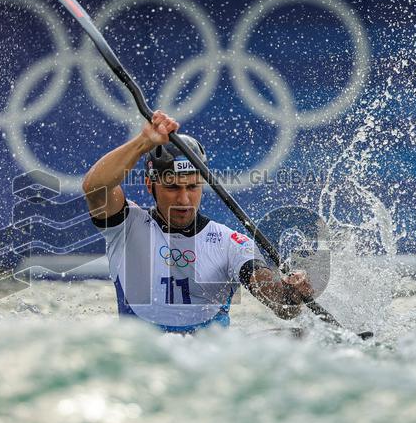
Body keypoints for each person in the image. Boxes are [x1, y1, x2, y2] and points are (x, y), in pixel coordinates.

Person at [82, 110, 315, 333]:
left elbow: (282, 307)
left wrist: (290, 294)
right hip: (144, 357)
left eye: (192, 186)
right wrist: (143, 142)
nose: (184, 199)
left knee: (297, 335)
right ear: (150, 185)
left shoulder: (231, 243)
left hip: (207, 356)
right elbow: (94, 188)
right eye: (172, 187)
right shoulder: (125, 226)